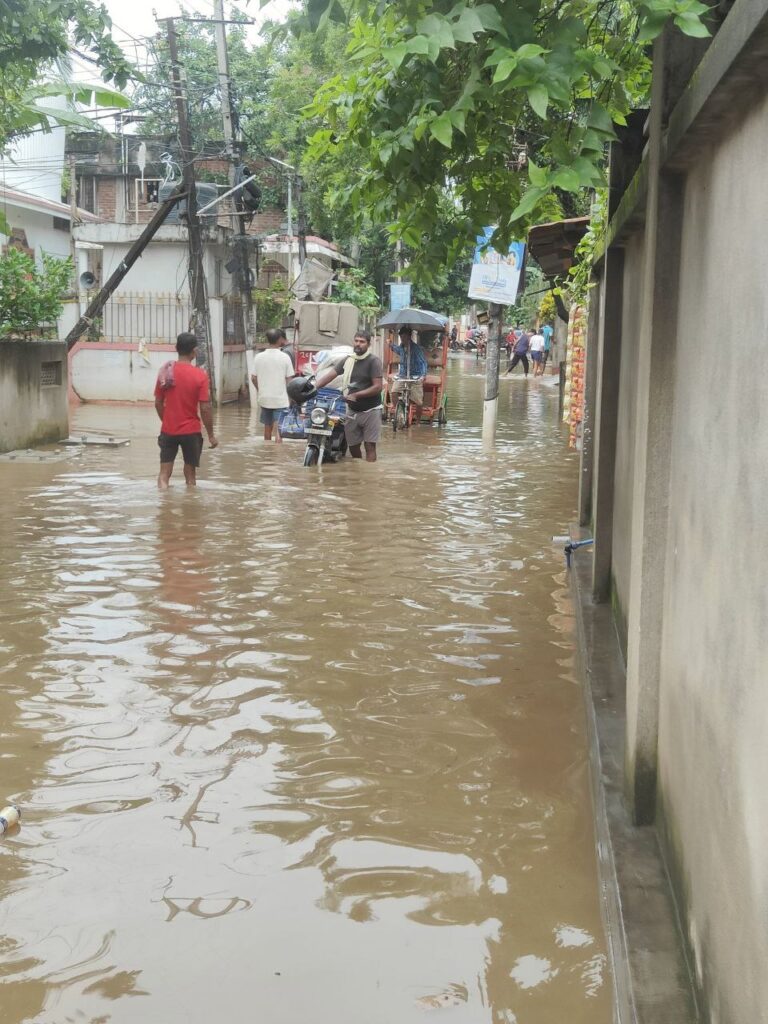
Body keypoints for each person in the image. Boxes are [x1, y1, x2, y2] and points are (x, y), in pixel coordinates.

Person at [154, 332, 218, 490]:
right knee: (190, 475)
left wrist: (167, 421)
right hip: (191, 431)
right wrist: (211, 435)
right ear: (194, 351)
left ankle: (164, 508)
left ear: (176, 348)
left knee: (164, 474)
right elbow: (205, 408)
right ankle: (191, 510)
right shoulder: (200, 376)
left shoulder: (165, 372)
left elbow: (158, 402)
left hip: (168, 430)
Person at [315, 330, 383, 462]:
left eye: (362, 342)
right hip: (351, 410)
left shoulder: (374, 362)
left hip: (371, 410)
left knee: (370, 446)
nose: (358, 344)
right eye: (356, 341)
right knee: (353, 447)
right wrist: (313, 387)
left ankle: (369, 475)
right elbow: (330, 375)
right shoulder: (348, 360)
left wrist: (357, 395)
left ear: (368, 344)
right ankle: (358, 472)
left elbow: (378, 387)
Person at [251, 327, 295, 443]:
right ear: (280, 339)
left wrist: (260, 390)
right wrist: (291, 399)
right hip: (280, 399)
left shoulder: (258, 357)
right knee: (279, 430)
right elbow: (289, 381)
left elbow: (253, 378)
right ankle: (277, 457)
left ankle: (267, 455)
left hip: (264, 398)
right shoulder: (285, 357)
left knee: (267, 428)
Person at [390, 326, 428, 422]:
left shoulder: (416, 349)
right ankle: (398, 412)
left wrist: (423, 375)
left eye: (404, 337)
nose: (402, 339)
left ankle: (418, 420)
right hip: (402, 375)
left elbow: (423, 362)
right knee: (394, 392)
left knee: (419, 402)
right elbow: (397, 350)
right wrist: (390, 345)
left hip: (415, 376)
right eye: (401, 337)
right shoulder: (401, 347)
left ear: (409, 336)